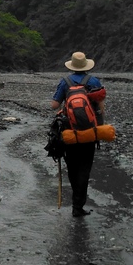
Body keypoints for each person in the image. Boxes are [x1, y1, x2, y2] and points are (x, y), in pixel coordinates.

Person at [50, 51, 106, 217]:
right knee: (85, 168)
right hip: (89, 132)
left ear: (72, 66)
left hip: (69, 132)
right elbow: (101, 108)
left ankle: (76, 200)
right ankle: (78, 206)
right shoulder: (94, 81)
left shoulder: (65, 82)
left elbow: (54, 105)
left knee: (73, 167)